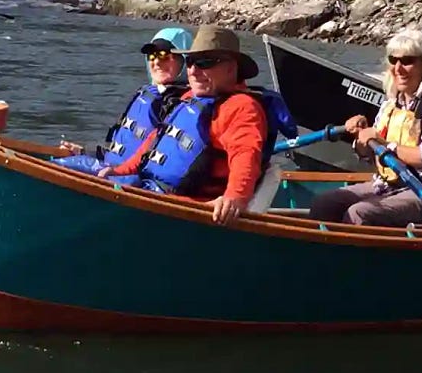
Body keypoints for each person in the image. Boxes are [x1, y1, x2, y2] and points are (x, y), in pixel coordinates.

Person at [98, 25, 285, 226]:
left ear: (232, 68)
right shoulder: (190, 98)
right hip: (147, 189)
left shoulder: (242, 108)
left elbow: (245, 155)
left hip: (183, 208)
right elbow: (153, 143)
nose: (194, 71)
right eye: (190, 62)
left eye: (204, 62)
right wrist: (120, 171)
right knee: (85, 171)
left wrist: (235, 198)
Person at [308, 29, 422, 227]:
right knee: (325, 204)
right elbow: (369, 155)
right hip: (390, 186)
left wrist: (385, 145)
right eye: (393, 60)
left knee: (360, 213)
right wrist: (362, 137)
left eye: (408, 61)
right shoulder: (392, 103)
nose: (398, 68)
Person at [49, 26, 194, 175]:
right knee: (59, 161)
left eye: (164, 55)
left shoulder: (181, 106)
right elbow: (122, 146)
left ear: (184, 60)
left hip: (129, 180)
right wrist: (84, 151)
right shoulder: (148, 94)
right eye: (152, 55)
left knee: (57, 167)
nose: (156, 62)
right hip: (112, 169)